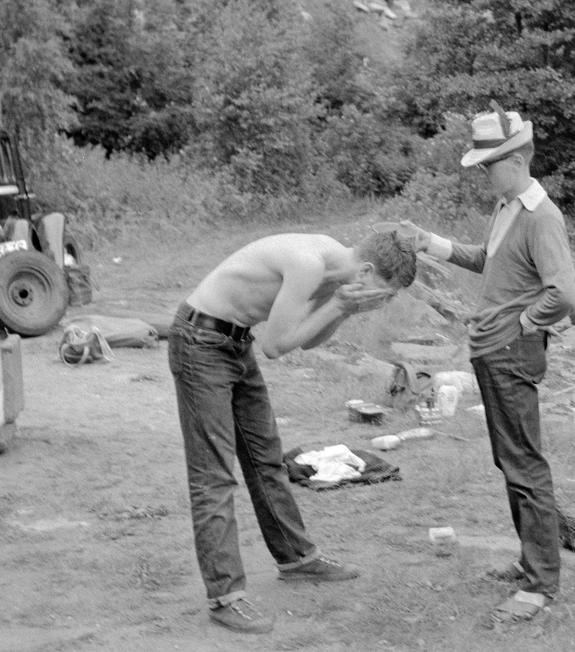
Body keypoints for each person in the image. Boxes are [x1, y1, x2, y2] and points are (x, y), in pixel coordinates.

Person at [169, 230, 417, 634]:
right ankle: (224, 596)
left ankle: (297, 560)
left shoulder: (336, 272)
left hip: (233, 342)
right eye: (383, 292)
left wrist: (343, 310)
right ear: (367, 270)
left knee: (265, 457)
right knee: (213, 475)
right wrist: (339, 303)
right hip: (200, 341)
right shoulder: (309, 264)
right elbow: (277, 345)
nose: (381, 301)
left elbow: (310, 340)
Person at [404, 104, 575, 625]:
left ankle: (541, 586)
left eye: (491, 162)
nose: (484, 171)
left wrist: (524, 324)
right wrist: (428, 243)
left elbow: (563, 294)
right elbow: (488, 259)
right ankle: (531, 565)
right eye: (481, 163)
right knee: (511, 463)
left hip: (511, 351)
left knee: (525, 465)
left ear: (519, 158)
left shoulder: (541, 216)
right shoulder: (508, 207)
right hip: (494, 350)